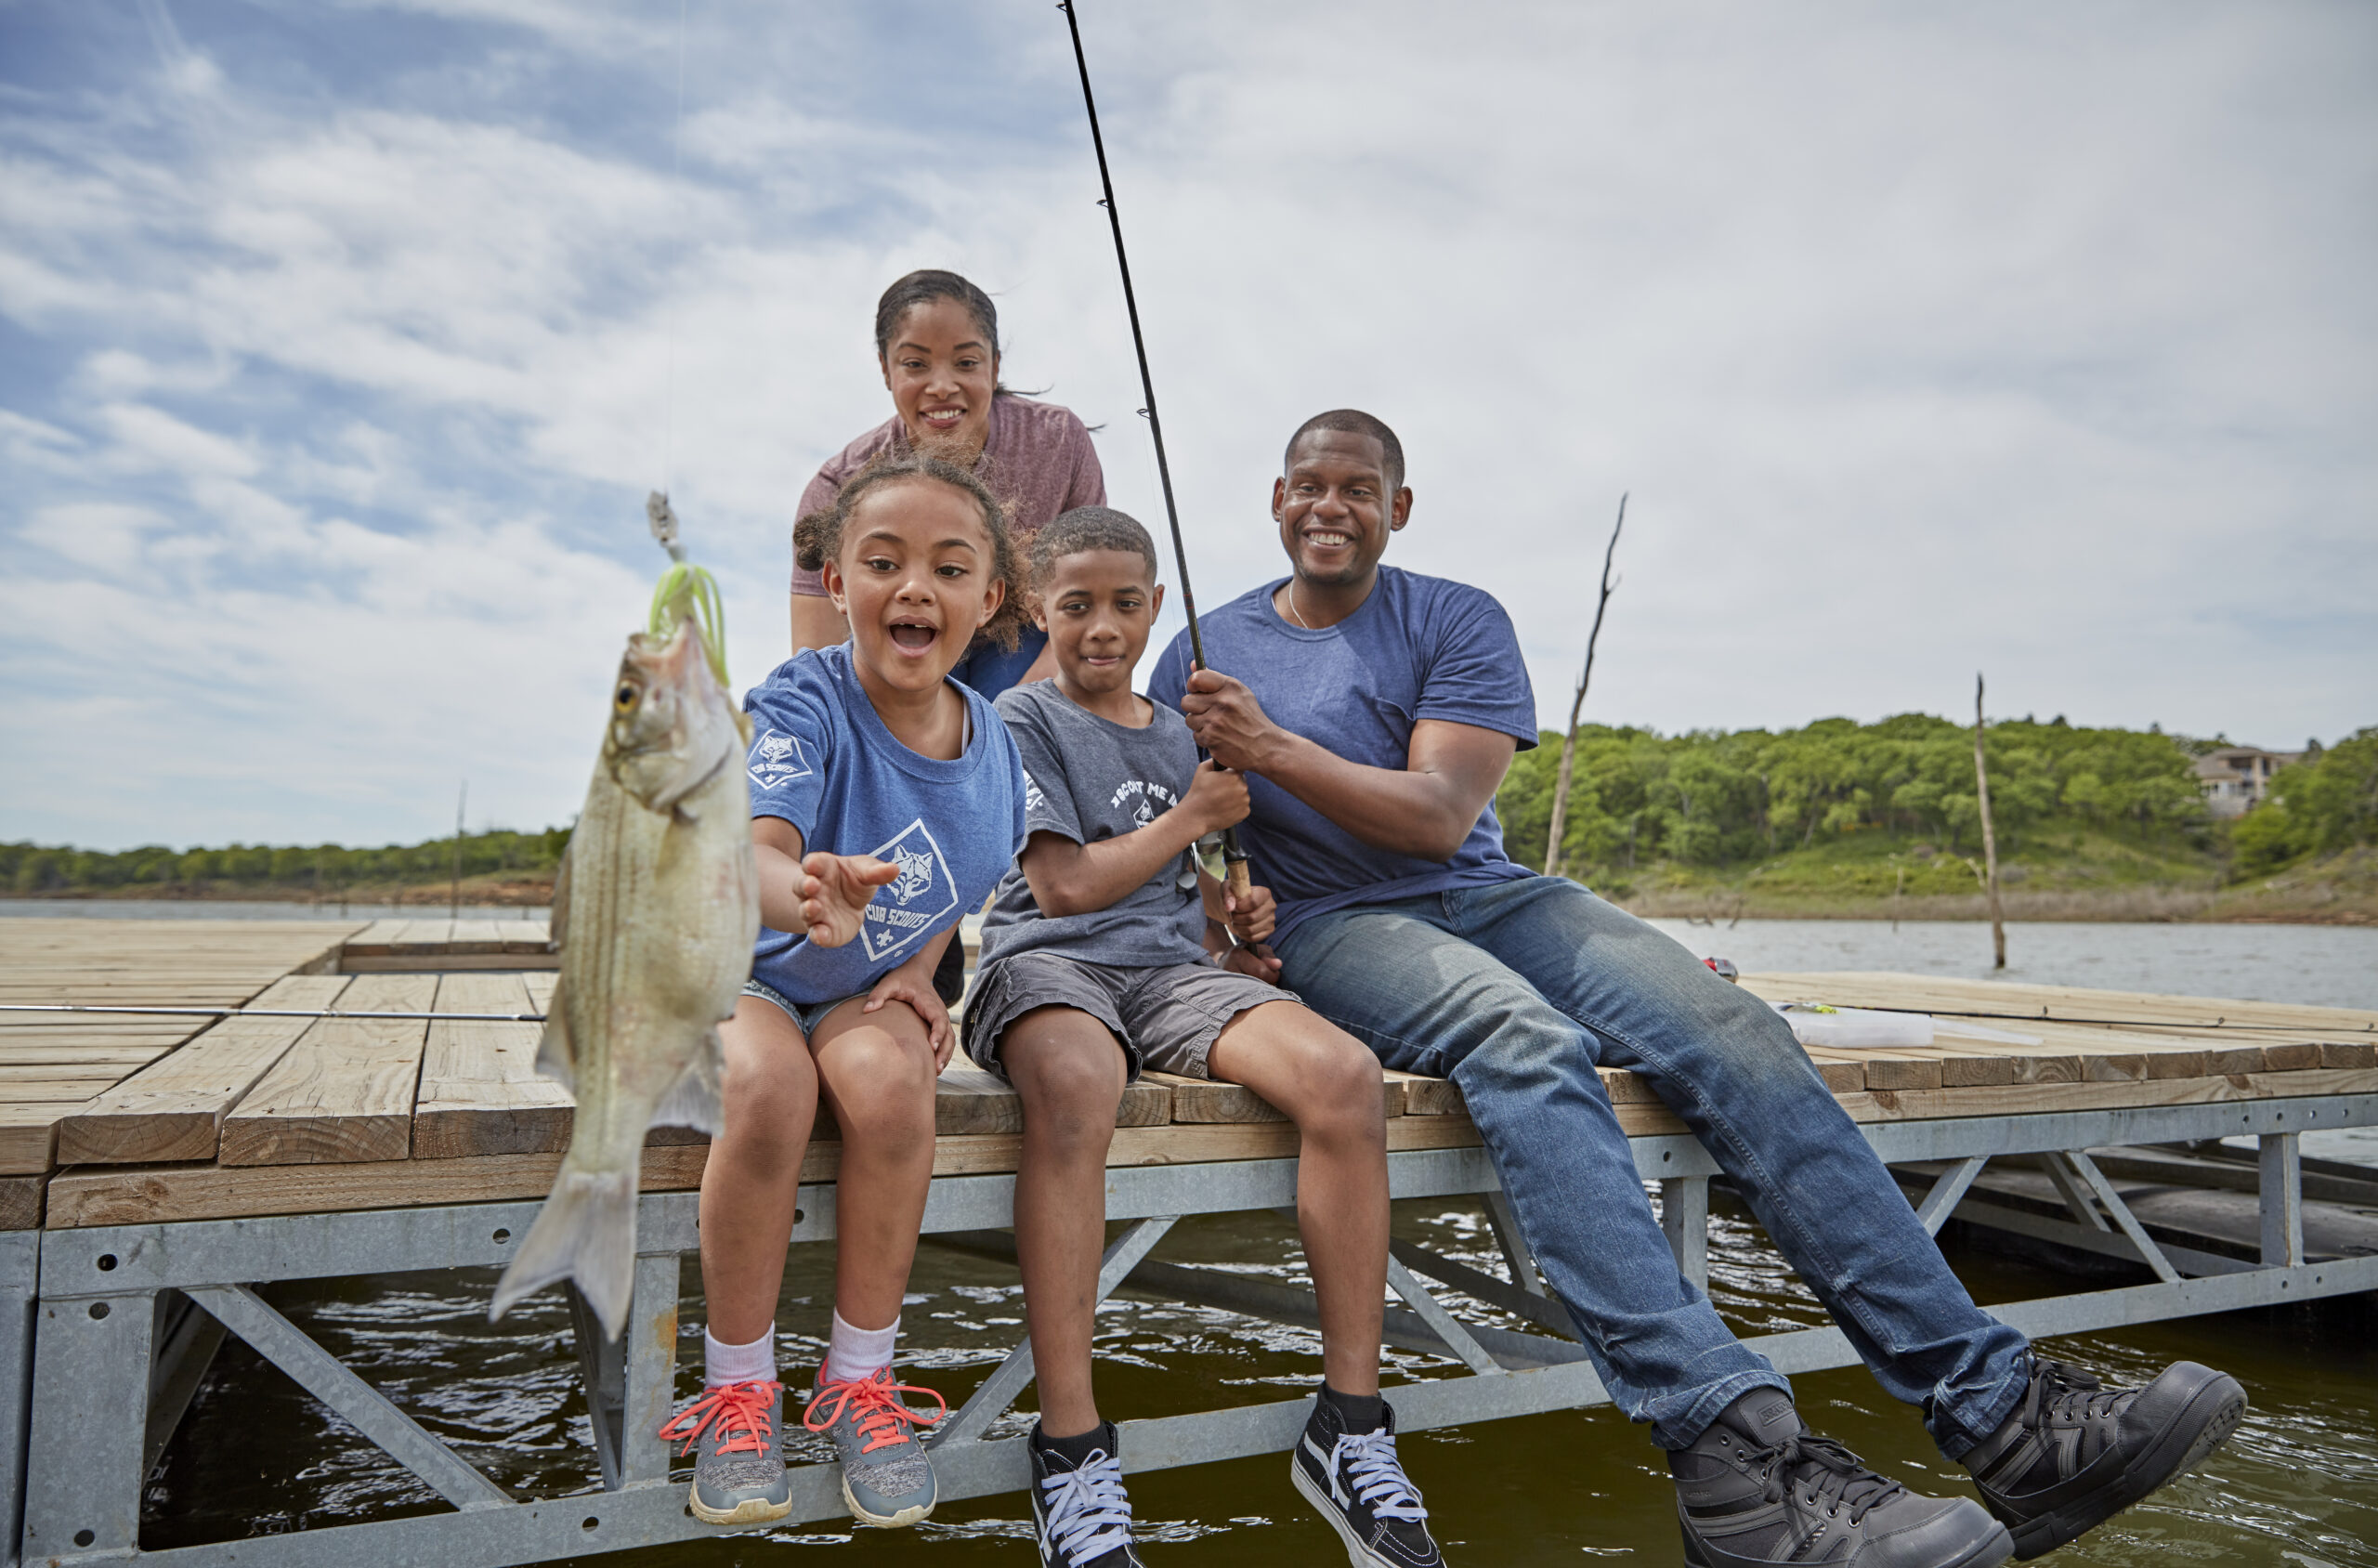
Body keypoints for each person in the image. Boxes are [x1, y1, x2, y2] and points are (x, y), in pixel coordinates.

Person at [1150, 410, 2246, 1568]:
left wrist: (1272, 746)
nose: (1330, 505)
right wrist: (1224, 909)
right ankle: (1734, 1457)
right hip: (1335, 926)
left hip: (1484, 891)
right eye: (1308, 486)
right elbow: (1177, 825)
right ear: (1275, 501)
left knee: (1736, 1029)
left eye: (1358, 487)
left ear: (1397, 508)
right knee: (1520, 1041)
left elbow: (1435, 819)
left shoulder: (1457, 616)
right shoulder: (1199, 648)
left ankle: (2004, 1415)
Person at [964, 507, 1444, 1568]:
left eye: (1124, 604)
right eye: (1077, 604)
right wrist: (1190, 818)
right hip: (1046, 963)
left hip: (1172, 974)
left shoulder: (1185, 727)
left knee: (1343, 1074)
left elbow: (1194, 883)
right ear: (1040, 605)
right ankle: (1073, 1447)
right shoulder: (1016, 718)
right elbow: (1063, 882)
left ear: (1155, 609)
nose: (1101, 626)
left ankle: (1350, 1425)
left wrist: (1238, 918)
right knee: (1082, 1081)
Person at [657, 451, 1031, 1530]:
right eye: (883, 561)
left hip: (860, 988)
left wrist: (916, 974)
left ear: (988, 599)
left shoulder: (998, 749)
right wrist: (807, 892)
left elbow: (963, 880)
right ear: (837, 583)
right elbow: (760, 849)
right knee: (768, 1092)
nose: (915, 586)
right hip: (746, 969)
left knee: (891, 1088)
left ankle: (858, 1376)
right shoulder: (804, 699)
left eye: (949, 567)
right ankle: (739, 1383)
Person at [790, 268, 1107, 694]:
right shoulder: (837, 485)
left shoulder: (1059, 440)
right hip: (900, 647)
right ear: (886, 370)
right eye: (915, 364)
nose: (942, 386)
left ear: (994, 368)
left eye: (966, 362)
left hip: (1024, 645)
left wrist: (1016, 716)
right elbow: (816, 667)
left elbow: (1093, 593)